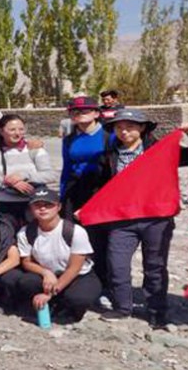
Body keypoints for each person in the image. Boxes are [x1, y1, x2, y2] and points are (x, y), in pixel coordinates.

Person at [97, 109, 188, 327]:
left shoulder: (161, 151)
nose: (124, 131)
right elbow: (103, 188)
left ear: (142, 128)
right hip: (122, 220)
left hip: (156, 219)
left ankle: (156, 311)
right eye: (119, 127)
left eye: (130, 126)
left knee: (155, 266)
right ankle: (122, 307)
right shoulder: (109, 156)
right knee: (116, 263)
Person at [17, 188, 101, 323]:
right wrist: (46, 273)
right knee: (26, 282)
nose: (43, 209)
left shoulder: (75, 231)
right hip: (49, 274)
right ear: (31, 209)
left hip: (78, 275)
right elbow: (26, 262)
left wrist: (49, 294)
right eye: (37, 205)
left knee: (78, 298)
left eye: (48, 205)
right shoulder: (25, 232)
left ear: (59, 207)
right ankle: (46, 306)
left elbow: (74, 268)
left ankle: (65, 308)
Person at [59, 96, 114, 297]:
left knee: (101, 240)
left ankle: (105, 284)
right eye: (75, 111)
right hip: (76, 191)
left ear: (96, 113)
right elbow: (66, 169)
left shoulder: (109, 136)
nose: (80, 114)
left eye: (85, 110)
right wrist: (62, 196)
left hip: (101, 191)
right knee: (76, 237)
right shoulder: (70, 139)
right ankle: (80, 279)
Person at [0, 114, 57, 230]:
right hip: (4, 205)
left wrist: (23, 176)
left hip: (32, 203)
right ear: (1, 131)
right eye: (12, 129)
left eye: (21, 129)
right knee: (8, 241)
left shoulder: (35, 150)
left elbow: (50, 175)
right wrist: (9, 181)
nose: (17, 133)